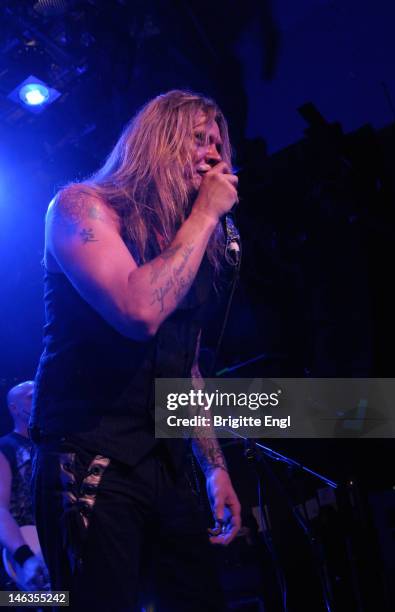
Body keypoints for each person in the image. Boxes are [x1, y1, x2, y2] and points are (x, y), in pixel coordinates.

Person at [30, 89, 242, 611]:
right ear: (158, 143)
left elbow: (183, 366)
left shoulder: (185, 250)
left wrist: (214, 466)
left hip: (164, 469)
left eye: (218, 143)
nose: (214, 154)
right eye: (198, 140)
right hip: (88, 455)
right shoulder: (82, 207)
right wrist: (205, 217)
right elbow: (138, 312)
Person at [0, 381, 48, 592]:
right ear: (14, 407)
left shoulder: (55, 445)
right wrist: (25, 558)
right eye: (31, 395)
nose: (39, 396)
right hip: (29, 551)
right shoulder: (5, 446)